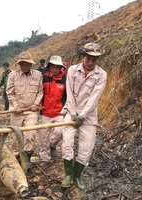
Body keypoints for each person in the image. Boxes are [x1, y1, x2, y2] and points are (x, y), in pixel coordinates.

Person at [60, 43, 107, 190]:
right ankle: (68, 174)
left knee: (86, 147)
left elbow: (94, 98)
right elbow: (70, 93)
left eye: (94, 59)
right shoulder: (73, 70)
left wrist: (82, 116)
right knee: (67, 142)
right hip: (71, 111)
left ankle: (77, 176)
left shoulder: (101, 75)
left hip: (88, 116)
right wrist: (74, 115)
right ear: (83, 56)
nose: (90, 62)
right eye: (88, 58)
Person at [6, 52, 43, 162]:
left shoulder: (38, 75)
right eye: (22, 63)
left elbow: (40, 92)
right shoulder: (12, 76)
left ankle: (27, 157)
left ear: (31, 64)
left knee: (29, 134)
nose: (25, 66)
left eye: (27, 63)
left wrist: (36, 104)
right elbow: (10, 93)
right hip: (16, 110)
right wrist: (16, 106)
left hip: (31, 110)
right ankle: (16, 156)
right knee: (15, 135)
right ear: (19, 64)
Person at [38, 55, 67, 169]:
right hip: (45, 112)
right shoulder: (43, 78)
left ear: (61, 68)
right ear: (49, 67)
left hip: (59, 112)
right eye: (53, 67)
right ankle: (45, 158)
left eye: (57, 67)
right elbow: (39, 93)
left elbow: (68, 96)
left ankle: (53, 145)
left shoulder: (65, 80)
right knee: (43, 136)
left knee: (60, 131)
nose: (55, 69)